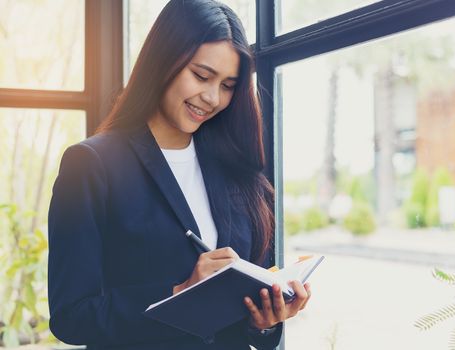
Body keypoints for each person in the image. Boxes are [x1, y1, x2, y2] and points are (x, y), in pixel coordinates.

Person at [47, 1, 311, 349]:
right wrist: (179, 293)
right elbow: (72, 316)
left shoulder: (236, 172)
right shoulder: (91, 164)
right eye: (201, 76)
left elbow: (246, 319)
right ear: (163, 61)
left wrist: (265, 321)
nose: (212, 97)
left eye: (228, 85)